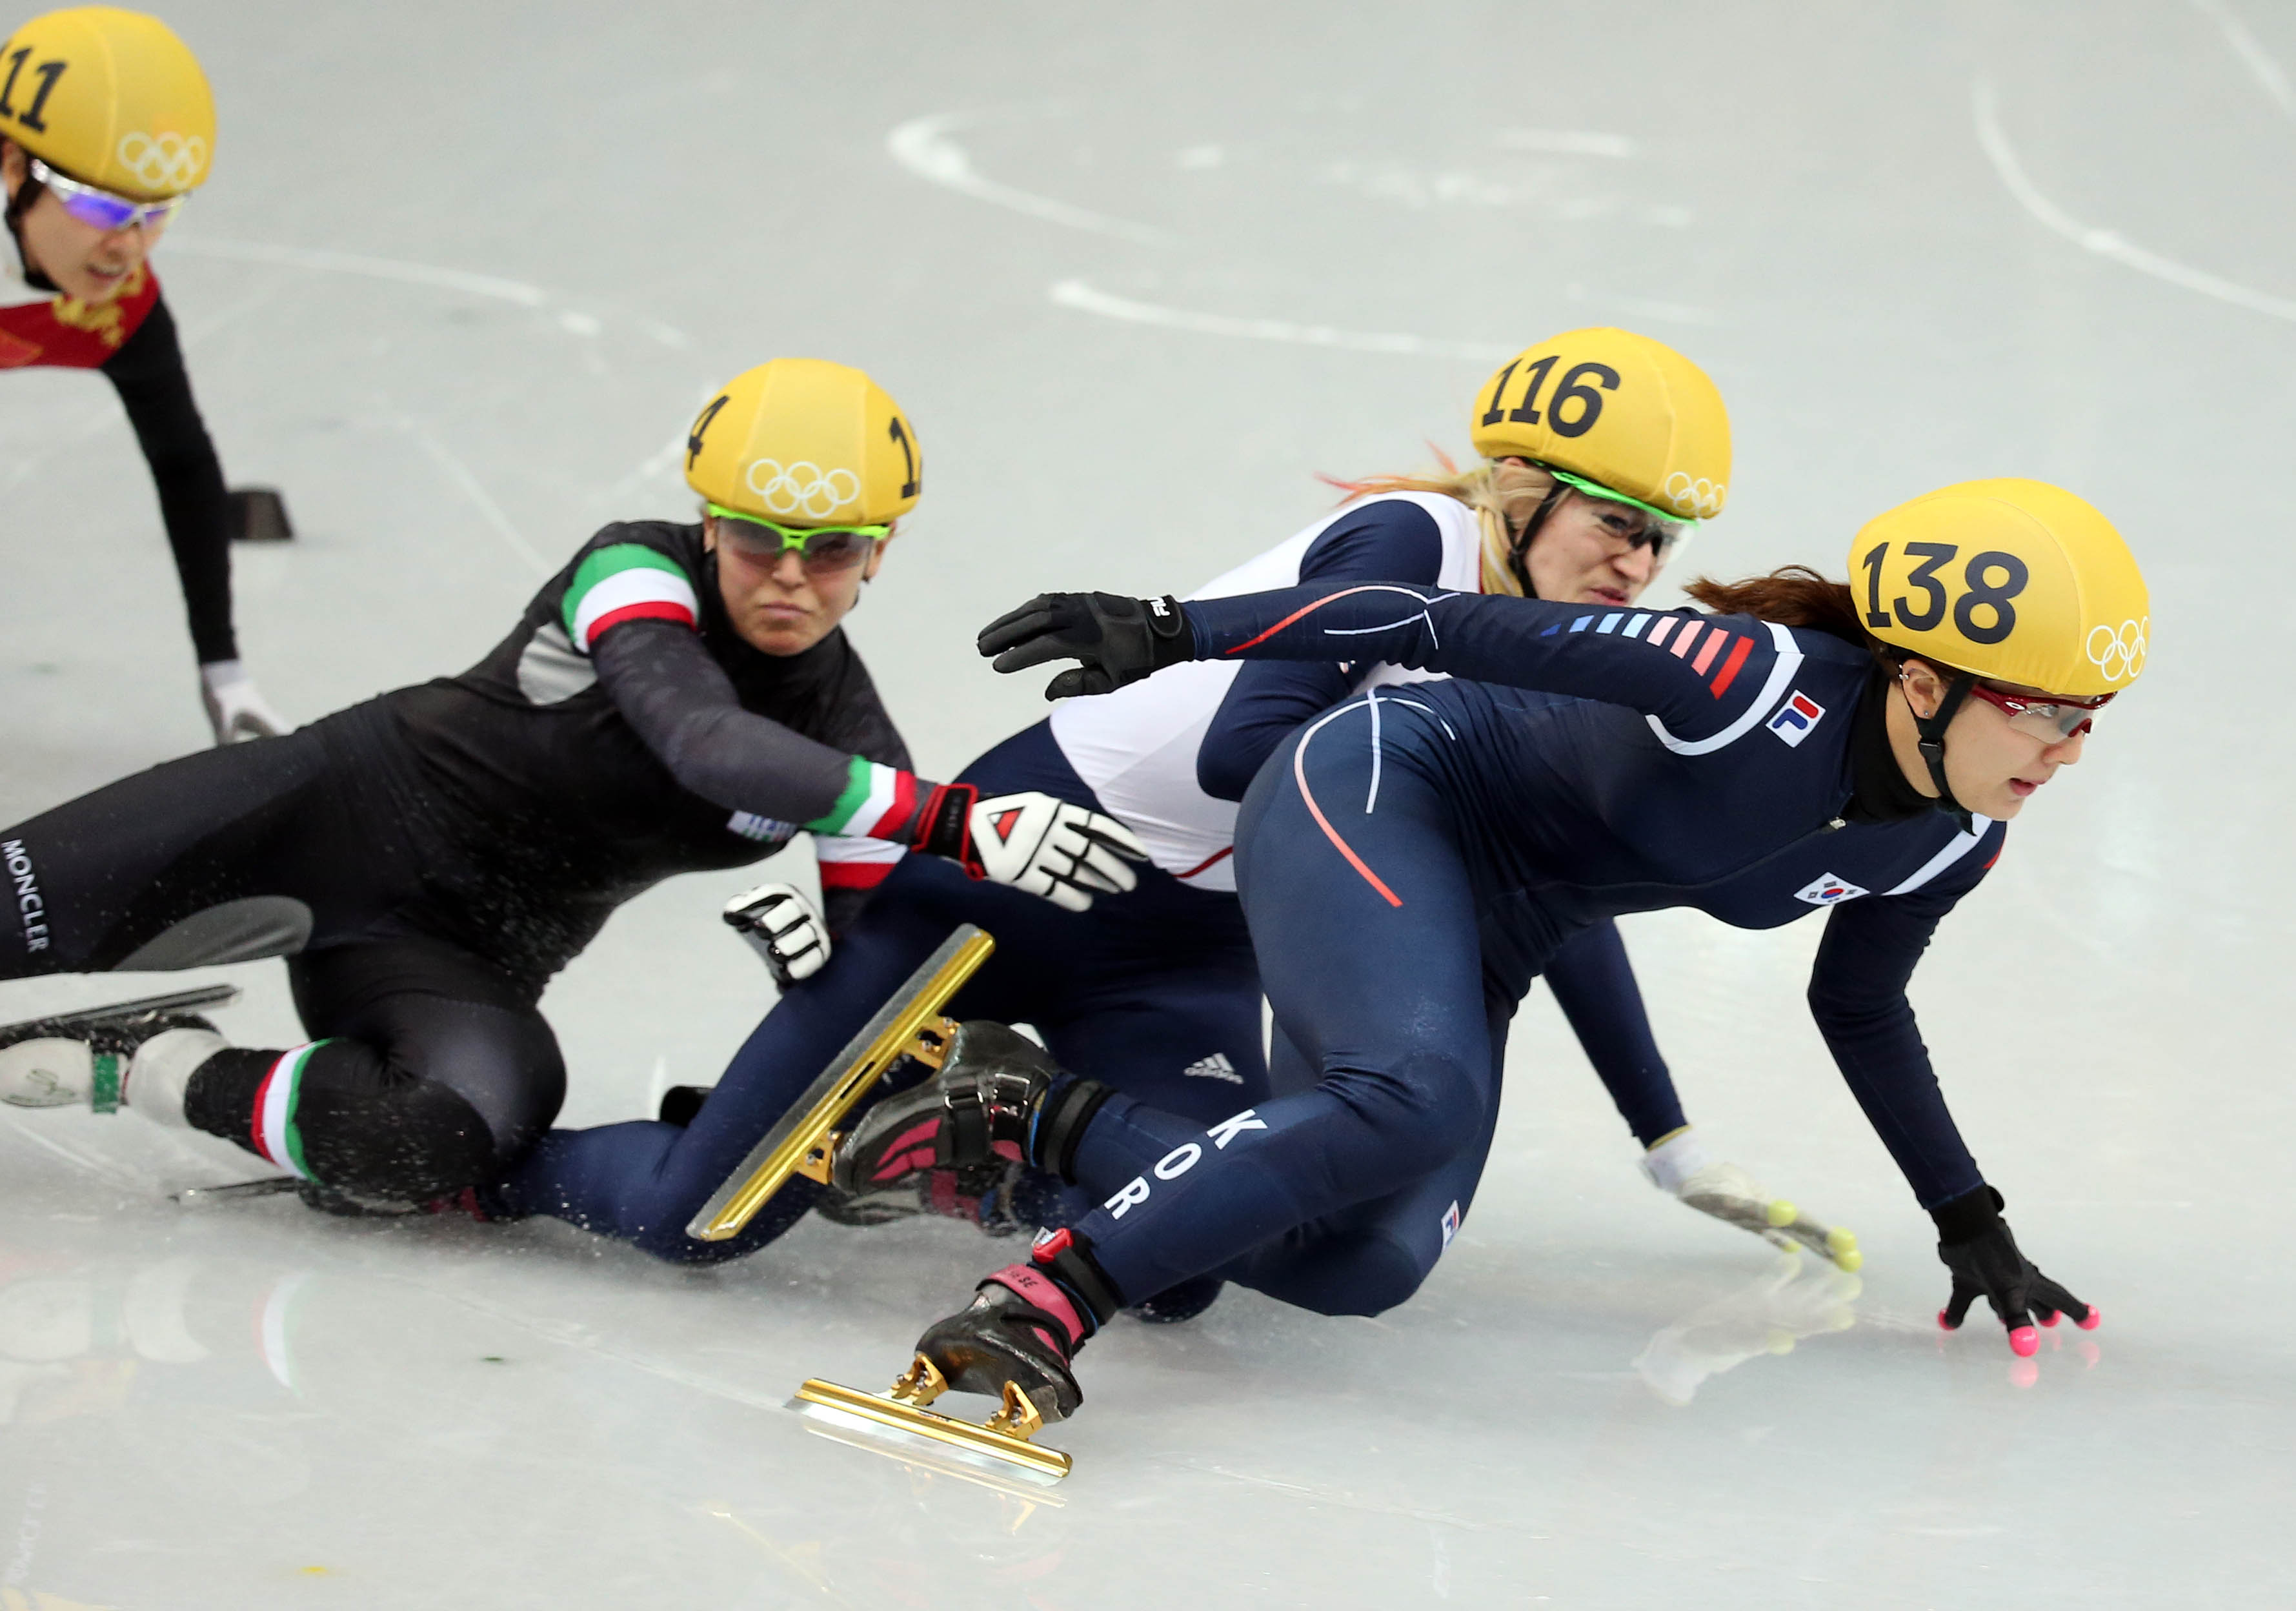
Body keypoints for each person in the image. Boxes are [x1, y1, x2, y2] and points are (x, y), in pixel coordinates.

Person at [491, 327, 1852, 1279]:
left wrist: (1664, 1136)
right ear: (1518, 485)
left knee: (1189, 1258)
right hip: (1019, 869)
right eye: (1617, 521)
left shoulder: (1550, 664)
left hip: (1190, 948)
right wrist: (1414, 844)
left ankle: (973, 1126)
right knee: (698, 1219)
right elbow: (1237, 755)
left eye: (1664, 539)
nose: (1640, 563)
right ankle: (494, 1163)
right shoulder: (1411, 543)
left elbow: (1560, 894)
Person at [843, 474, 2143, 1426]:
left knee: (1363, 1265)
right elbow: (1431, 625)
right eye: (2050, 716)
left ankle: (1025, 1119)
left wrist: (1969, 1221)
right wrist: (1178, 628)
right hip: (1382, 789)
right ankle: (1044, 1304)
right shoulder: (1744, 677)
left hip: (1501, 924)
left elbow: (1863, 1010)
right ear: (1924, 682)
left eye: (2092, 723)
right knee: (1412, 1100)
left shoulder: (1950, 844)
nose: (2071, 752)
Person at [0, 357, 1143, 1208]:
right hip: (316, 816)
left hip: (458, 959)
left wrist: (824, 995)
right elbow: (699, 739)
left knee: (449, 1138)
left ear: (881, 550)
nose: (789, 578)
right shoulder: (632, 566)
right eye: (755, 540)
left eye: (832, 549)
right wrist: (952, 820)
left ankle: (146, 1064)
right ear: (707, 524)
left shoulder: (854, 744)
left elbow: (861, 981)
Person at [1, 5, 285, 743]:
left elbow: (184, 463)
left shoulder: (116, 307)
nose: (129, 246)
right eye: (100, 203)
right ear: (11, 166)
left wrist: (225, 673)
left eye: (157, 210)